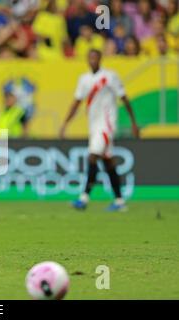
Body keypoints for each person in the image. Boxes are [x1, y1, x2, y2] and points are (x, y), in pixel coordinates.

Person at [59, 49, 139, 212]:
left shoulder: (110, 76)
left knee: (92, 156)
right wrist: (65, 124)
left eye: (95, 57)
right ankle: (119, 201)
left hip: (107, 124)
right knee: (108, 162)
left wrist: (133, 122)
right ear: (87, 60)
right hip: (94, 126)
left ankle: (84, 198)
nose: (93, 60)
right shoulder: (84, 79)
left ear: (100, 58)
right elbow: (76, 103)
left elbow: (124, 98)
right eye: (90, 57)